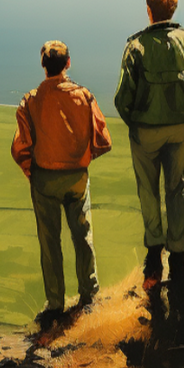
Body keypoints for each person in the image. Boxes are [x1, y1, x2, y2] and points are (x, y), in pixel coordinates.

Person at [115, 0, 184, 290]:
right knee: (177, 189)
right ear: (173, 9)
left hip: (145, 132)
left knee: (149, 191)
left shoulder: (136, 47)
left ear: (149, 10)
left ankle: (153, 261)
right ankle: (178, 263)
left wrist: (136, 121)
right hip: (180, 129)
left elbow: (122, 98)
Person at [11, 39, 113, 325]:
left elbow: (21, 147)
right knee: (83, 236)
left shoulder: (30, 100)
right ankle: (89, 295)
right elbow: (103, 140)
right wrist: (82, 157)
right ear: (68, 64)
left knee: (49, 242)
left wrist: (31, 170)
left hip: (43, 178)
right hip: (77, 176)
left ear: (43, 66)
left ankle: (55, 303)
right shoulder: (84, 96)